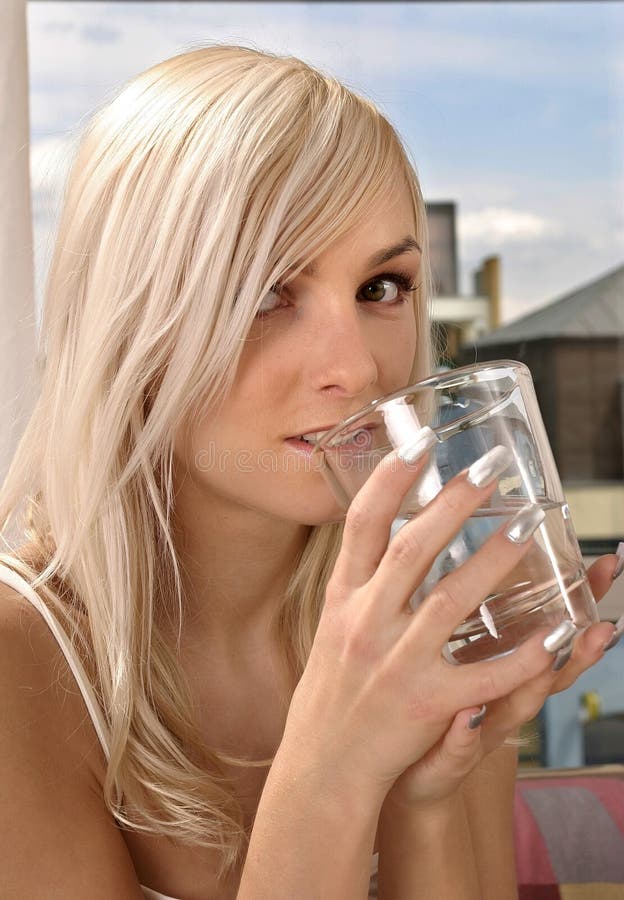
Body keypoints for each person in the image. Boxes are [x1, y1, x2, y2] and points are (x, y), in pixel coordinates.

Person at [0, 43, 620, 900]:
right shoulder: (19, 662)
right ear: (129, 322)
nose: (358, 369)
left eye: (381, 288)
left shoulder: (430, 616)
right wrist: (333, 767)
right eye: (265, 293)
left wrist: (426, 785)